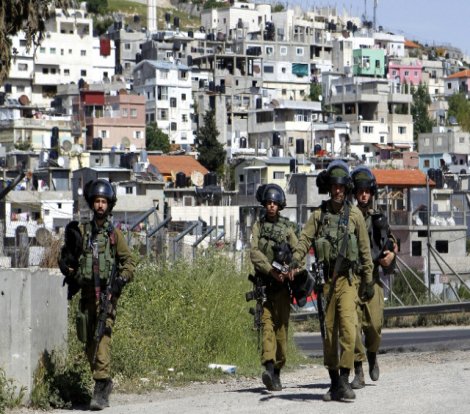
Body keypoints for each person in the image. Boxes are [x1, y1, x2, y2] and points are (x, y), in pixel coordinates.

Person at [291, 160, 374, 402]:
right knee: (328, 334)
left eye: (341, 187)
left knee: (348, 329)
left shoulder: (355, 215)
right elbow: (304, 240)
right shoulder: (319, 215)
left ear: (347, 188)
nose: (338, 191)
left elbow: (365, 252)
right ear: (329, 188)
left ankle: (345, 379)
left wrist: (368, 281)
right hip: (326, 281)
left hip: (348, 281)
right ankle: (334, 381)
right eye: (334, 186)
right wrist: (295, 259)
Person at [59, 179, 135, 410]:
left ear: (109, 205)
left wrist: (120, 281)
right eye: (97, 201)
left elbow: (129, 262)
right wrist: (67, 264)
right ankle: (104, 381)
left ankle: (101, 388)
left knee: (102, 340)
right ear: (92, 204)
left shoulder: (114, 235)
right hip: (86, 296)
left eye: (104, 201)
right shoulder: (83, 232)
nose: (100, 205)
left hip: (106, 297)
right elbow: (71, 260)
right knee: (88, 343)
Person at [350, 166, 397, 389]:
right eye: (360, 191)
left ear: (372, 193)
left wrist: (391, 254)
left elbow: (391, 241)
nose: (363, 195)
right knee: (353, 327)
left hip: (373, 277)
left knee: (375, 326)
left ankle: (372, 354)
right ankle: (358, 371)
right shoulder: (348, 217)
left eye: (367, 191)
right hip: (352, 278)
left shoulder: (378, 218)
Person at [250, 183, 298, 391]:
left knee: (281, 331)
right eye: (268, 202)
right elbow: (253, 252)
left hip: (283, 288)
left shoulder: (287, 228)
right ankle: (269, 369)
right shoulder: (258, 226)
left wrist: (291, 269)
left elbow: (298, 252)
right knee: (266, 326)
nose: (271, 206)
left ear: (280, 205)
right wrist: (270, 270)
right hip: (265, 285)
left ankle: (277, 371)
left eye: (274, 203)